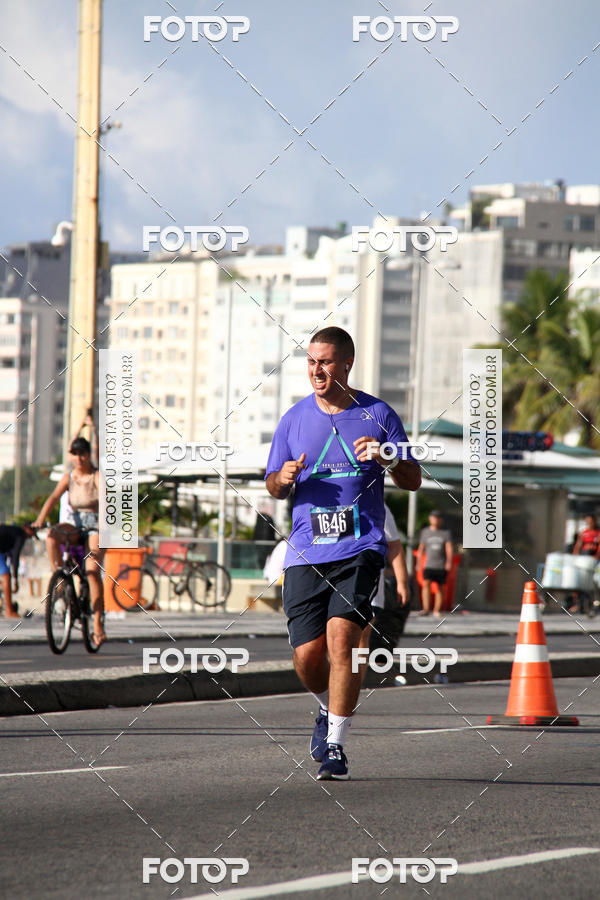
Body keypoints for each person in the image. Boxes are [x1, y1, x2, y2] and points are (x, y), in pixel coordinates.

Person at [265, 327, 420, 780]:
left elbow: (412, 479)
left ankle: (335, 746)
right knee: (307, 656)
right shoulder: (294, 419)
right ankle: (325, 709)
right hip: (306, 550)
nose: (317, 370)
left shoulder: (377, 414)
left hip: (360, 546)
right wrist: (284, 477)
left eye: (326, 362)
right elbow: (271, 483)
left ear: (346, 364)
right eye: (311, 361)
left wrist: (387, 455)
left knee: (341, 640)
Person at [33, 436, 106, 645]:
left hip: (95, 525)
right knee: (52, 536)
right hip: (74, 524)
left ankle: (98, 625)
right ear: (71, 456)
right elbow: (54, 497)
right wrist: (40, 519)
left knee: (92, 572)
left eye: (83, 454)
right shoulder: (69, 477)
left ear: (88, 455)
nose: (79, 458)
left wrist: (104, 526)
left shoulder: (96, 476)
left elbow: (106, 500)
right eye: (75, 454)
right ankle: (60, 576)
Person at [416, 511, 453, 618]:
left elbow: (449, 548)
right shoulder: (425, 532)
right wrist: (418, 563)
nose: (435, 520)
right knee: (426, 585)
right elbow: (421, 548)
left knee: (440, 587)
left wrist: (448, 562)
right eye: (433, 517)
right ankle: (426, 609)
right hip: (428, 564)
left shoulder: (445, 533)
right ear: (430, 519)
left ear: (440, 520)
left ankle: (437, 610)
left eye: (437, 518)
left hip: (440, 565)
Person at [0, 523, 37, 618]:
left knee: (4, 578)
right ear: (26, 528)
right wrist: (15, 579)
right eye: (32, 532)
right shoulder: (20, 534)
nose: (30, 536)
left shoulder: (12, 531)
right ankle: (9, 611)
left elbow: (10, 555)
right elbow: (15, 557)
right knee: (6, 577)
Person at [569, 514, 600, 613]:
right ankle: (576, 603)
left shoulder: (598, 533)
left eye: (591, 522)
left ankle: (595, 602)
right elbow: (578, 546)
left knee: (595, 580)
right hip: (584, 560)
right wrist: (575, 558)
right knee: (576, 579)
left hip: (595, 561)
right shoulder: (583, 533)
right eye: (588, 522)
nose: (590, 524)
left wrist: (596, 557)